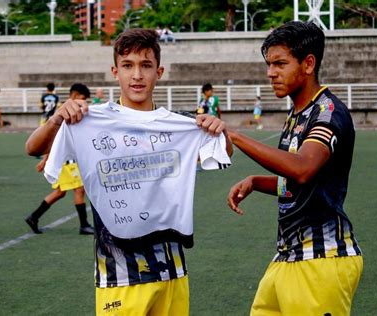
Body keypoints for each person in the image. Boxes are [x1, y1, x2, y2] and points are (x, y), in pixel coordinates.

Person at [25, 29, 232, 316]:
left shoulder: (178, 125)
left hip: (173, 272)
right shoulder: (89, 121)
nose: (137, 75)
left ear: (159, 72)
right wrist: (58, 118)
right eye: (128, 65)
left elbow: (222, 153)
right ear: (115, 71)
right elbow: (32, 146)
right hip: (119, 277)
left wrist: (219, 131)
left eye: (146, 66)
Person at [226, 21, 363, 315]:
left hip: (322, 260)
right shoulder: (297, 114)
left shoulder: (327, 111)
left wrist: (235, 136)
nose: (270, 72)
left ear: (308, 63)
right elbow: (295, 182)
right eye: (268, 64)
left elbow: (302, 168)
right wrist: (255, 181)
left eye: (280, 63)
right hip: (288, 255)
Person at [25, 83, 94, 236]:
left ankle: (33, 217)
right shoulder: (66, 111)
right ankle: (84, 225)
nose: (84, 102)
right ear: (74, 96)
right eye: (82, 98)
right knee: (79, 189)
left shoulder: (68, 110)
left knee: (60, 192)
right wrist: (46, 160)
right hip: (66, 162)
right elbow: (53, 139)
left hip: (68, 161)